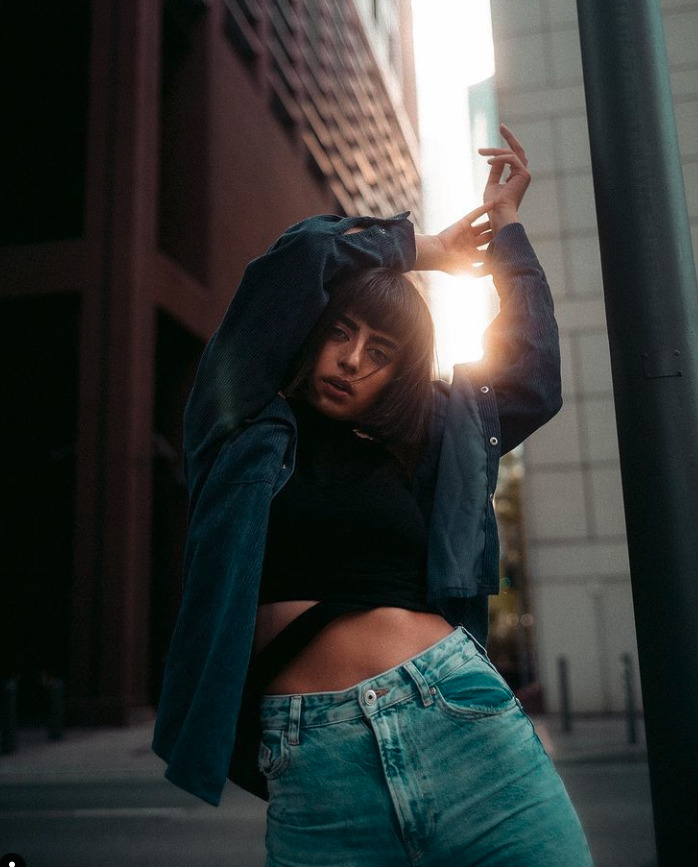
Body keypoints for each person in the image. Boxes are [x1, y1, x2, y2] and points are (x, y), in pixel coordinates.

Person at [152, 126, 593, 865]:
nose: (353, 360)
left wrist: (507, 230)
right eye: (342, 334)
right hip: (312, 753)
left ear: (400, 372)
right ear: (312, 335)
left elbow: (533, 377)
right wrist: (423, 251)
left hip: (461, 715)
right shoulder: (239, 427)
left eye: (380, 352)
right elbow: (298, 261)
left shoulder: (428, 442)